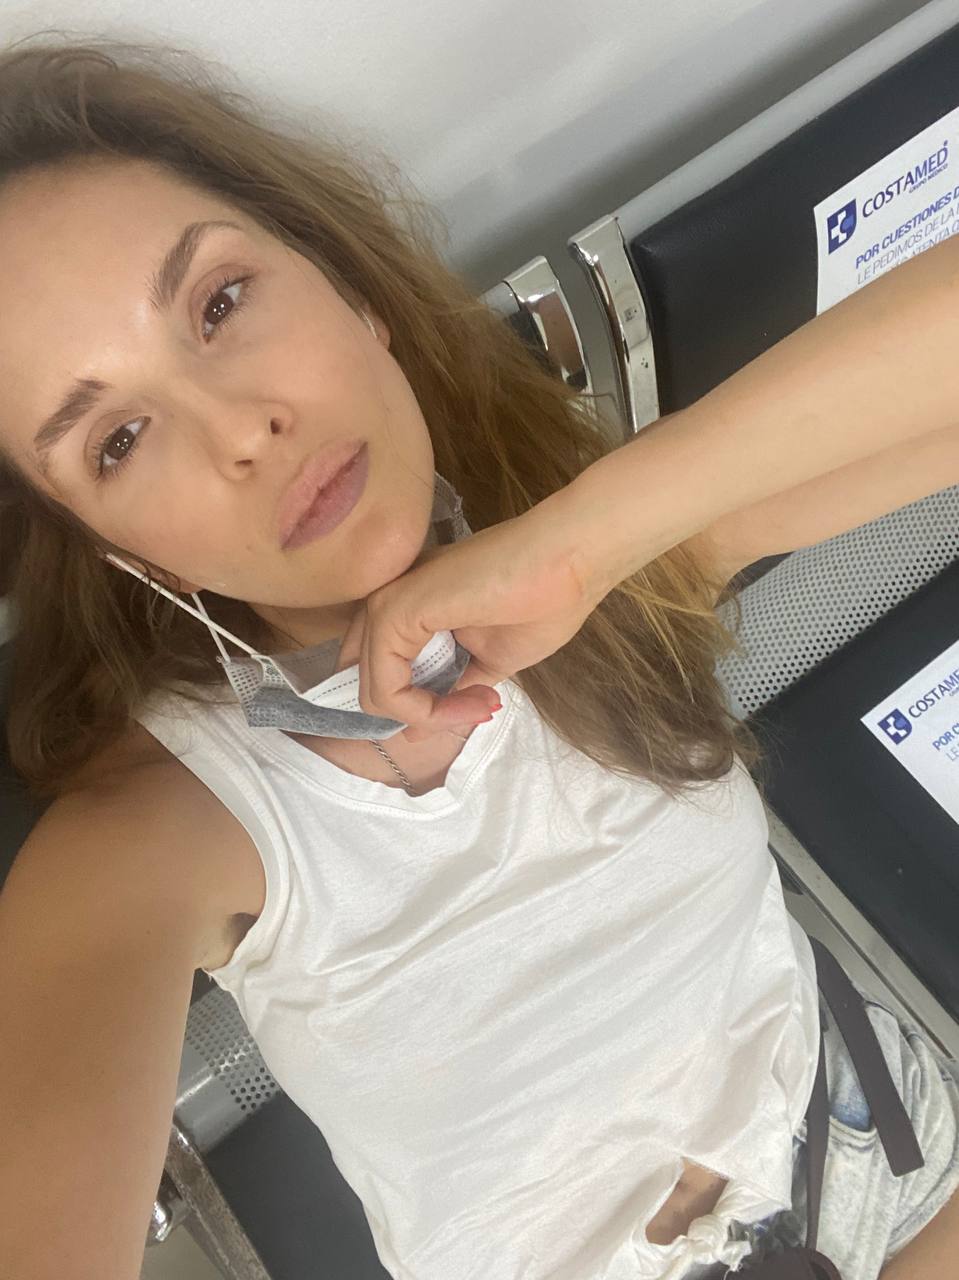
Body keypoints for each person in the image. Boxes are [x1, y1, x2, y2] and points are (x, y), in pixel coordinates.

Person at [0, 33, 957, 1280]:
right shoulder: (151, 839)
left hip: (883, 1152)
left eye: (220, 303)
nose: (242, 431)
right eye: (119, 438)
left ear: (354, 293)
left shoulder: (593, 555)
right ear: (122, 552)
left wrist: (591, 538)